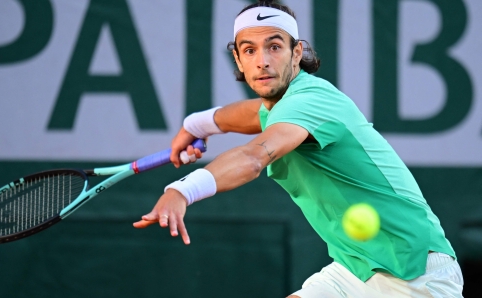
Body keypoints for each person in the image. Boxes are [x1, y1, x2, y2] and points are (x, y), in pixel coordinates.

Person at [133, 1, 464, 297]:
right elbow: (251, 114)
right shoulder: (282, 104)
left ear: (296, 53)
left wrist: (182, 190)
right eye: (249, 50)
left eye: (274, 47)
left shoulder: (311, 101)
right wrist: (196, 125)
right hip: (357, 268)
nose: (262, 61)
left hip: (415, 272)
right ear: (237, 58)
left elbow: (253, 156)